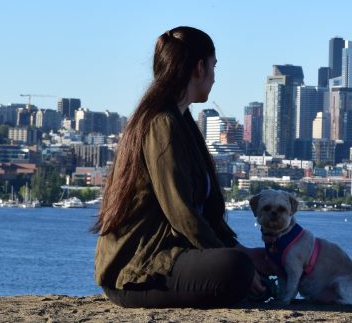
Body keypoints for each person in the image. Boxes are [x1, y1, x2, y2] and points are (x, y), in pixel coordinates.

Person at [94, 26, 274, 307]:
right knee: (236, 268)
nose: (215, 77)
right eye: (214, 66)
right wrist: (238, 260)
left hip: (167, 254)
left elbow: (204, 214)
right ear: (199, 68)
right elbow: (182, 214)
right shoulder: (161, 124)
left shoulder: (182, 120)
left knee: (246, 261)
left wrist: (242, 250)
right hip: (136, 270)